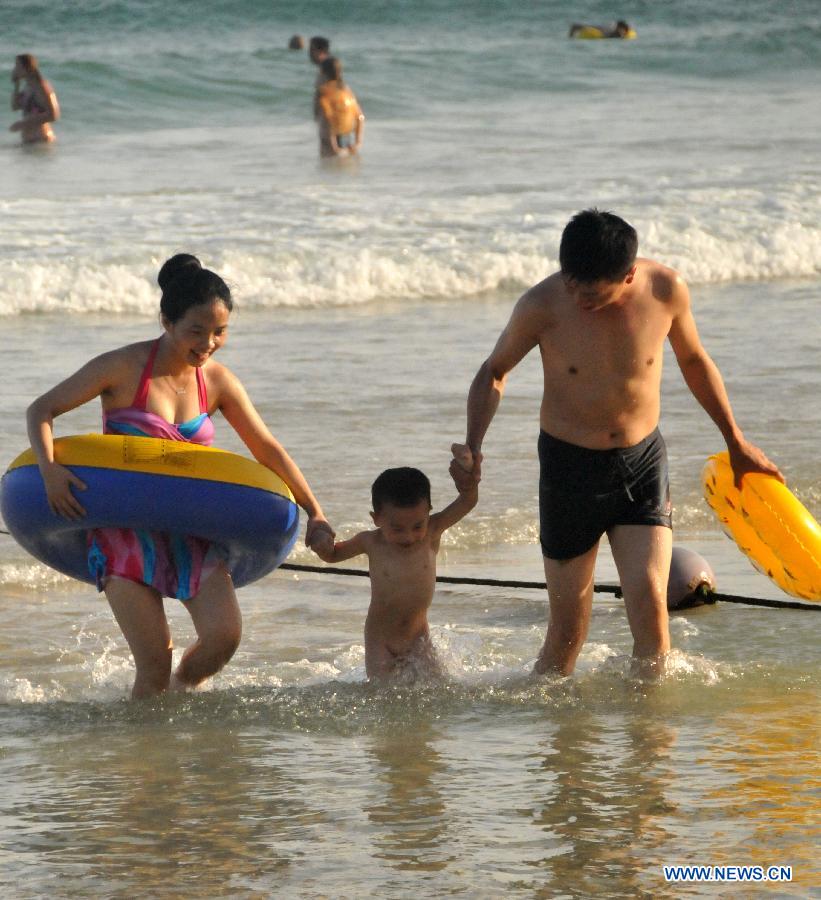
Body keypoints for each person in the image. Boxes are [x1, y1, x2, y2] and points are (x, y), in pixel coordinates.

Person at [451, 209, 782, 677]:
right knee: (568, 630)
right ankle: (562, 744)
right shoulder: (541, 305)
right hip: (569, 468)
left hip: (641, 461)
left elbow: (694, 361)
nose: (577, 296)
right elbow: (494, 371)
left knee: (650, 608)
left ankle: (648, 743)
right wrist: (472, 446)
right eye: (571, 283)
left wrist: (736, 440)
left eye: (590, 292)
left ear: (628, 274)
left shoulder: (666, 290)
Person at [26, 254, 333, 698]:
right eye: (197, 331)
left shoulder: (218, 381)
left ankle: (181, 692)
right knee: (153, 662)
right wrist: (50, 471)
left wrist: (315, 511)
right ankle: (148, 757)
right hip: (125, 530)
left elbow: (265, 447)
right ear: (166, 321)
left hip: (189, 529)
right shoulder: (123, 366)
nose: (208, 343)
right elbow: (42, 410)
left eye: (220, 332)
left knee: (224, 637)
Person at [311, 464, 479, 679]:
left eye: (417, 526)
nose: (408, 537)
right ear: (377, 519)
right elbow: (333, 555)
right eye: (397, 529)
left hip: (419, 636)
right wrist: (322, 543)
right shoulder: (369, 541)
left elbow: (467, 501)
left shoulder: (433, 530)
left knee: (440, 691)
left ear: (428, 513)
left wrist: (469, 481)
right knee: (382, 696)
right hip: (380, 640)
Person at [316, 57, 364, 158]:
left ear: (322, 73)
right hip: (348, 139)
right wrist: (358, 142)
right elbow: (360, 117)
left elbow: (328, 118)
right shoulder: (346, 90)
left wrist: (334, 147)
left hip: (330, 142)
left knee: (328, 171)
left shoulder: (323, 92)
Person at [10, 53, 60, 144]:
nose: (15, 69)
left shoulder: (41, 87)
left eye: (17, 66)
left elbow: (53, 115)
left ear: (27, 68)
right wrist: (16, 85)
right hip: (30, 142)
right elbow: (15, 106)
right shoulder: (28, 87)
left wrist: (24, 123)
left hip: (41, 140)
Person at [308, 37, 334, 156]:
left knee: (329, 155)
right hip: (327, 121)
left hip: (330, 121)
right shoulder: (327, 68)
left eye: (311, 50)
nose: (309, 54)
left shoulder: (328, 69)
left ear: (320, 51)